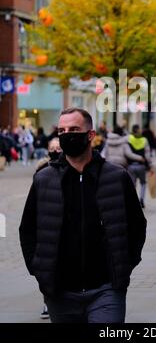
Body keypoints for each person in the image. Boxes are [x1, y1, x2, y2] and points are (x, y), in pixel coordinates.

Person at [19, 108, 146, 323]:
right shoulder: (44, 179)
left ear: (90, 135)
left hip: (107, 289)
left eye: (74, 129)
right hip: (60, 291)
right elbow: (28, 230)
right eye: (62, 130)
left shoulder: (117, 177)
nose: (67, 134)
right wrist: (40, 271)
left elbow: (136, 225)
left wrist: (124, 266)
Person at [35, 137, 63, 319]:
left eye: (58, 148)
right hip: (47, 225)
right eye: (52, 148)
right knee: (49, 269)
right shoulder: (42, 170)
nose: (55, 151)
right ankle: (48, 302)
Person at [127, 124, 152, 208]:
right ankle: (141, 199)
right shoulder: (144, 140)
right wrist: (150, 165)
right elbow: (147, 154)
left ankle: (133, 201)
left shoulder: (129, 139)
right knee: (143, 183)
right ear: (138, 130)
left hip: (131, 165)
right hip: (141, 165)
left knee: (132, 185)